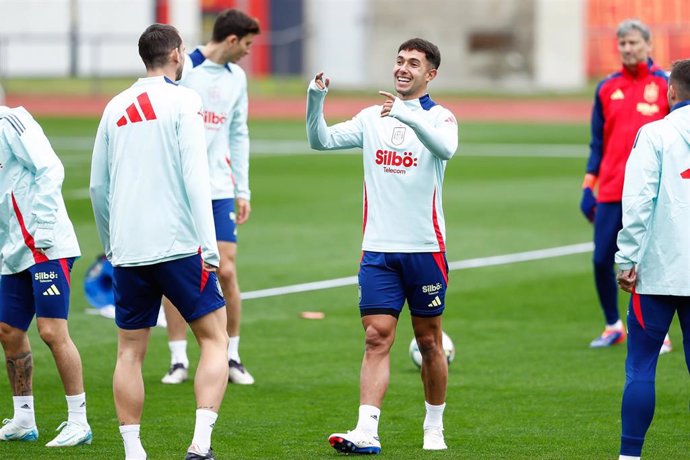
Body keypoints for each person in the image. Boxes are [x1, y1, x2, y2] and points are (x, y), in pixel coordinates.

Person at [307, 38, 458, 454]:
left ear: (431, 74)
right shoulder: (372, 117)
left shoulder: (442, 118)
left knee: (429, 342)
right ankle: (366, 431)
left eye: (413, 63)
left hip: (426, 248)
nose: (402, 68)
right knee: (376, 337)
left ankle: (434, 427)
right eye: (399, 61)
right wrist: (314, 101)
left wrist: (407, 116)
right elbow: (320, 141)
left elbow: (446, 149)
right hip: (378, 250)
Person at [90, 24, 228, 460]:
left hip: (129, 250)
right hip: (179, 246)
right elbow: (195, 177)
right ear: (176, 54)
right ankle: (201, 443)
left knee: (129, 351)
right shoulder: (185, 100)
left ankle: (134, 451)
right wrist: (209, 246)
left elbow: (98, 187)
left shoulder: (114, 106)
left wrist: (112, 244)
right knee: (214, 339)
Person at [160, 8, 260, 386]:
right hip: (178, 187)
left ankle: (231, 355)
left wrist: (242, 189)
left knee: (227, 269)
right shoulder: (186, 70)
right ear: (232, 40)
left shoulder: (238, 78)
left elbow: (239, 133)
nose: (249, 52)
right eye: (247, 44)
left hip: (218, 187)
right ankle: (177, 358)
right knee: (175, 267)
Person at [0, 105, 92, 447]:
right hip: (12, 251)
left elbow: (50, 167)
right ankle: (24, 418)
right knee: (8, 331)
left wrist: (44, 226)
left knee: (52, 331)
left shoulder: (11, 121)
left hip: (45, 245)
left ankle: (79, 422)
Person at [615, 58, 690, 460]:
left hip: (657, 271)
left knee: (641, 365)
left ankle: (630, 457)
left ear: (671, 91)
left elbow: (639, 201)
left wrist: (626, 258)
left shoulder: (655, 133)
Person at [581, 19, 672, 350]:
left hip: (654, 192)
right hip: (611, 189)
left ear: (649, 45)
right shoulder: (607, 87)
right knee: (602, 259)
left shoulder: (665, 85)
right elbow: (597, 143)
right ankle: (612, 325)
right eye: (623, 44)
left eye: (634, 42)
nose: (628, 49)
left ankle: (655, 331)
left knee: (651, 262)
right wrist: (587, 185)